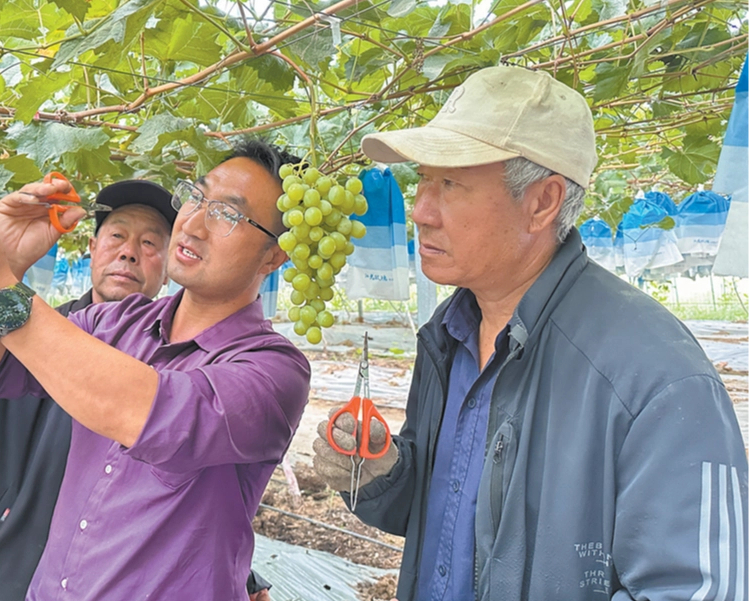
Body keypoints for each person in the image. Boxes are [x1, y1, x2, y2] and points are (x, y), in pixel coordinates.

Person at [312, 65, 748, 601]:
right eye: (422, 180)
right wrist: (384, 473)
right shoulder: (447, 337)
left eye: (450, 184)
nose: (421, 211)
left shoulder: (655, 375)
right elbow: (450, 523)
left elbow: (697, 589)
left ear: (541, 202)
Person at [0, 140, 308, 601]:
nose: (195, 224)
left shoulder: (274, 371)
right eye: (197, 198)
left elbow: (149, 413)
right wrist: (9, 261)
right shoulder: (113, 321)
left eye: (228, 214)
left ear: (274, 256)